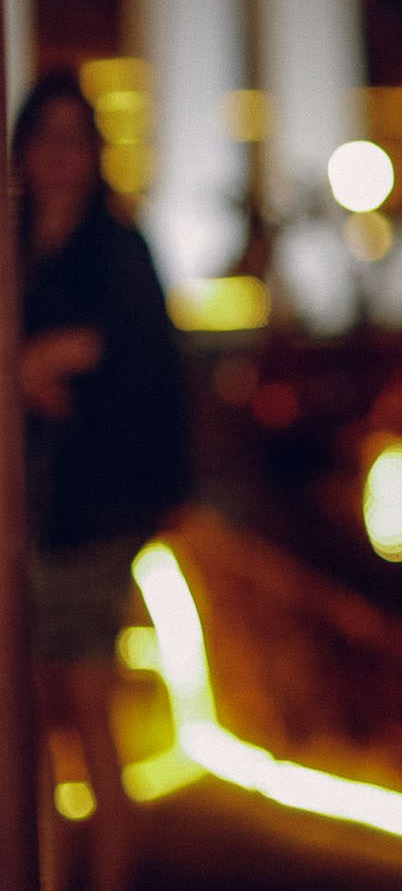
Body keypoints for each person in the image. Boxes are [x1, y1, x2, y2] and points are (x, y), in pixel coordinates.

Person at [15, 71, 189, 891]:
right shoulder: (17, 249)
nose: (55, 157)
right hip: (22, 517)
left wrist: (53, 372)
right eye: (41, 139)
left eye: (70, 139)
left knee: (84, 710)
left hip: (88, 517)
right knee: (31, 725)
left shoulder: (116, 251)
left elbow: (141, 379)